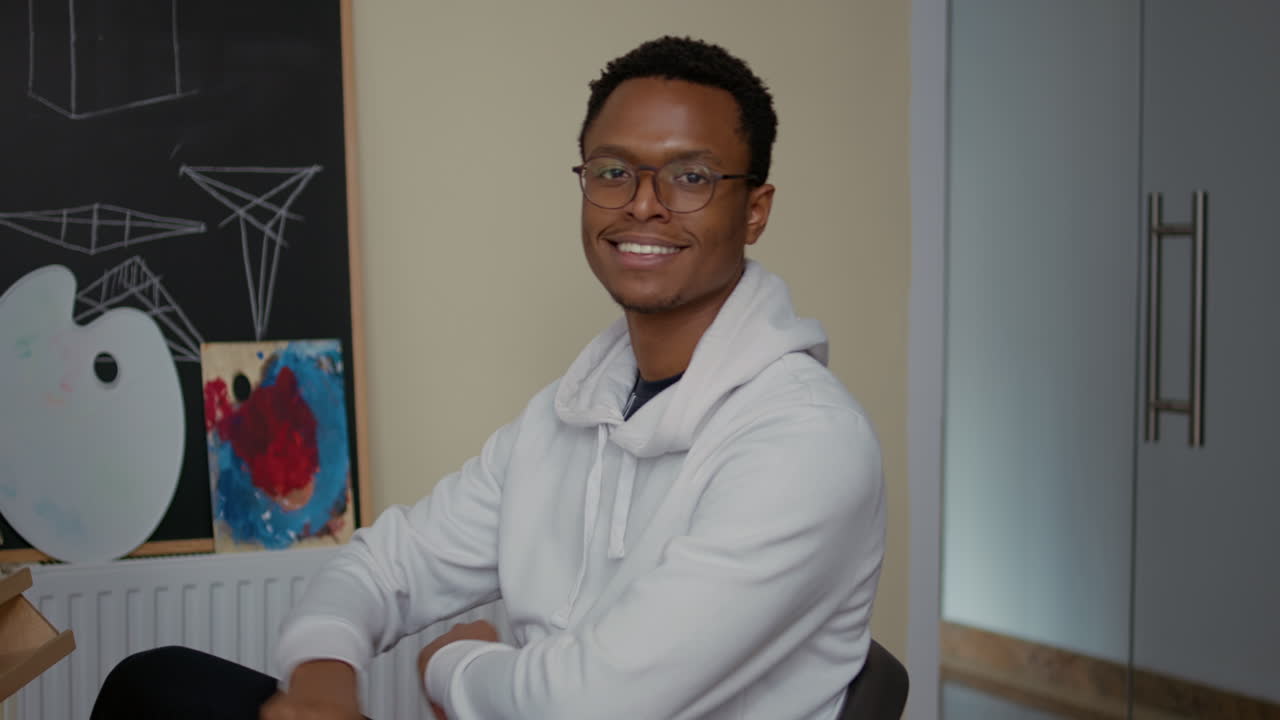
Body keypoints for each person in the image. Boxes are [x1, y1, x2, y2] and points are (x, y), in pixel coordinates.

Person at [91, 35, 884, 720]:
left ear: (755, 210)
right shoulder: (572, 413)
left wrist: (450, 663)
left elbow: (590, 706)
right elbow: (383, 566)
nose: (643, 206)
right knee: (159, 684)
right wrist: (324, 681)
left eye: (691, 177)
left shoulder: (805, 443)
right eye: (613, 171)